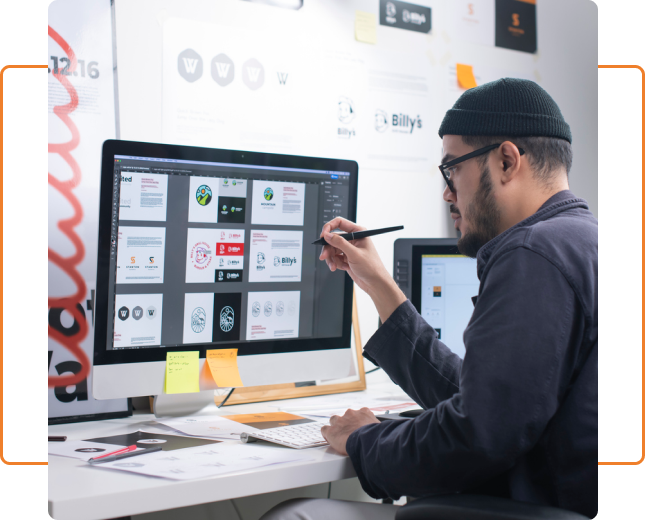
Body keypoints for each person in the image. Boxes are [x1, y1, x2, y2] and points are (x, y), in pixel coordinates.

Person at [261, 78, 598, 520]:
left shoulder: (531, 253)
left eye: (452, 169)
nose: (447, 192)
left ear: (506, 161)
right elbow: (487, 403)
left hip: (531, 508)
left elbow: (475, 437)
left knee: (295, 515)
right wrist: (382, 286)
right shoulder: (577, 243)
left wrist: (365, 440)